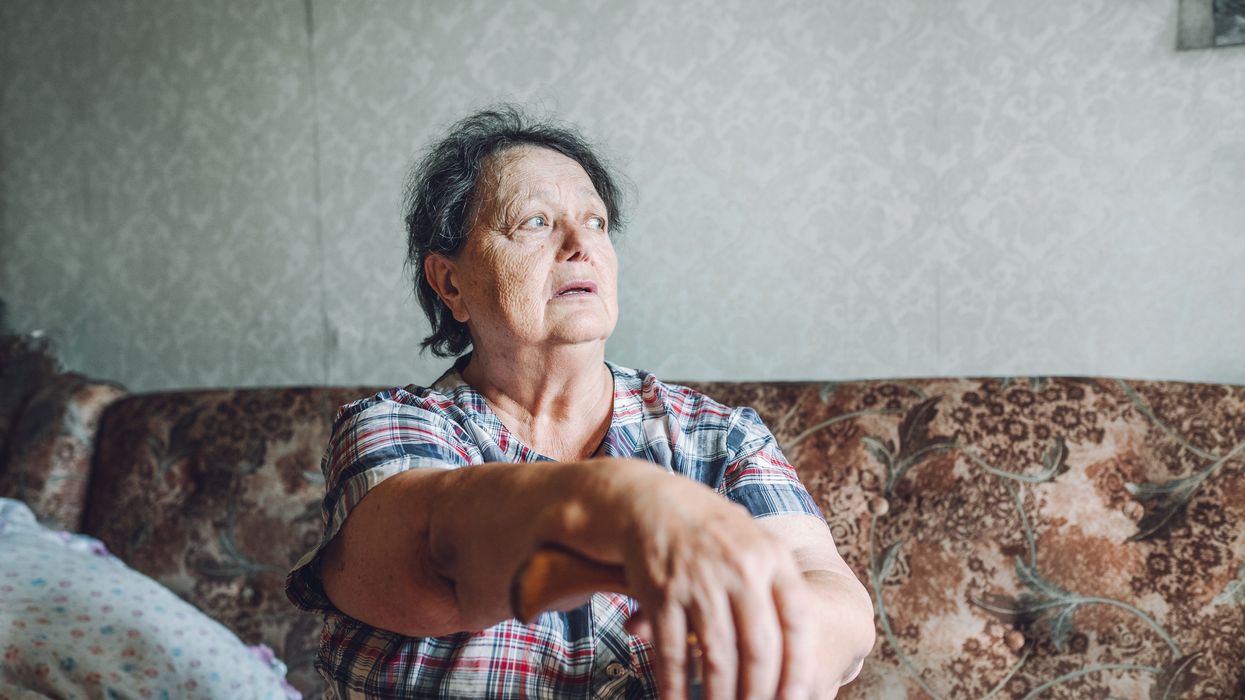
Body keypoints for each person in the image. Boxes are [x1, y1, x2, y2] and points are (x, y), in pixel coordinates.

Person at [286, 105, 875, 699]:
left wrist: (788, 643)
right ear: (450, 283)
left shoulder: (716, 437)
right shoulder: (394, 428)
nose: (580, 245)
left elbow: (829, 591)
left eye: (595, 223)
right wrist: (619, 504)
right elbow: (436, 556)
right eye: (535, 222)